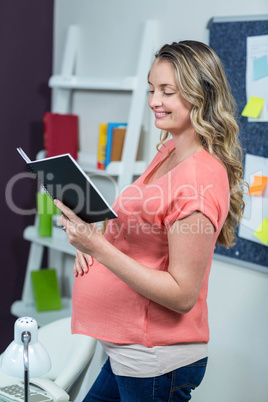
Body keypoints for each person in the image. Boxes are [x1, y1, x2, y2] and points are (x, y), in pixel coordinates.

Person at [54, 40, 245, 401]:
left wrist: (97, 248)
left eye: (167, 91)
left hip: (156, 361)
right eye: (151, 89)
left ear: (200, 94)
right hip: (129, 352)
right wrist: (93, 237)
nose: (154, 101)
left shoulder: (200, 179)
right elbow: (142, 234)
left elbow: (182, 293)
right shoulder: (169, 150)